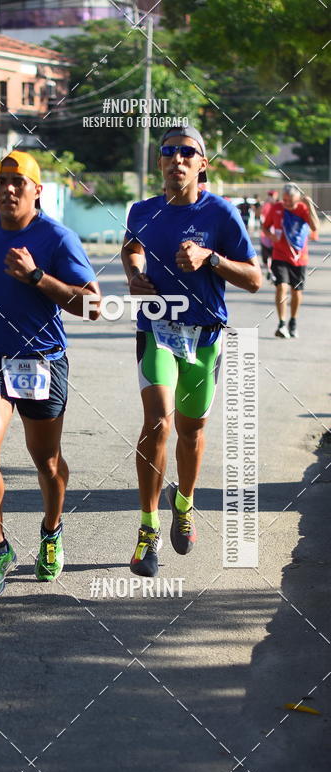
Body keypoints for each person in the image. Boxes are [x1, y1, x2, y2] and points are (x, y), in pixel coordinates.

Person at [0, 151, 101, 598]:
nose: (8, 189)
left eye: (19, 182)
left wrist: (37, 276)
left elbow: (93, 305)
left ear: (38, 191)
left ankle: (51, 530)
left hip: (41, 360)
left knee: (47, 461)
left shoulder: (57, 238)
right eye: (1, 182)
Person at [121, 125, 262, 577]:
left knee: (191, 430)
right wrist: (135, 274)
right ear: (159, 161)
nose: (177, 159)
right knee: (157, 419)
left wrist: (211, 259)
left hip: (203, 334)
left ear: (203, 164)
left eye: (188, 153)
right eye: (169, 152)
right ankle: (148, 529)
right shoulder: (141, 210)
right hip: (156, 328)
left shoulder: (220, 213)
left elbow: (256, 279)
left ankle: (184, 502)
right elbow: (132, 249)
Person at [263, 182, 319, 339]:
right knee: (281, 287)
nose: (287, 203)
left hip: (299, 258)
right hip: (279, 255)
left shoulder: (302, 209)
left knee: (296, 292)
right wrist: (271, 236)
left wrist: (310, 206)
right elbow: (265, 227)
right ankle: (281, 323)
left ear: (298, 199)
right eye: (285, 200)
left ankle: (293, 321)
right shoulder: (276, 208)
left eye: (290, 201)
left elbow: (314, 227)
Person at [259, 190, 278, 280]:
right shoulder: (273, 205)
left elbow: (259, 215)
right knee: (271, 254)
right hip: (270, 233)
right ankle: (271, 271)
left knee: (269, 255)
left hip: (267, 233)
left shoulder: (265, 205)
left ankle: (270, 270)